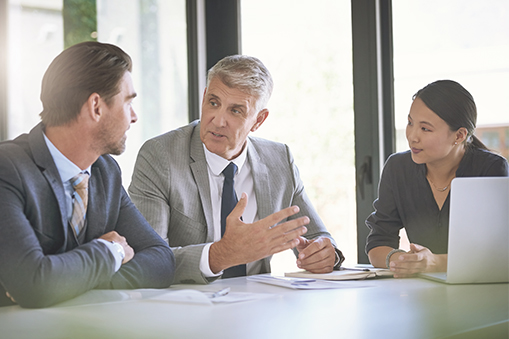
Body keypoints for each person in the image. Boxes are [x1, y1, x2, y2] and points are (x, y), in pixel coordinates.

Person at [129, 55, 344, 284]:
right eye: (213, 103)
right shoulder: (160, 155)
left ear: (258, 120)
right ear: (203, 98)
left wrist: (324, 254)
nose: (218, 120)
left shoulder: (280, 160)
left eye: (235, 111)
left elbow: (317, 237)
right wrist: (220, 255)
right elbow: (147, 259)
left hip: (256, 307)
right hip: (186, 308)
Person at [0, 41, 176, 308]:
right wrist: (112, 251)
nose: (134, 116)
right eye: (127, 102)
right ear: (96, 106)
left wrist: (67, 282)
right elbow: (33, 285)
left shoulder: (105, 172)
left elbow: (162, 260)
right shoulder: (7, 169)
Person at [365, 80, 508, 278]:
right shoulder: (397, 168)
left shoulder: (491, 169)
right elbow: (378, 241)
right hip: (419, 294)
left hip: (478, 290)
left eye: (425, 129)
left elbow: (497, 254)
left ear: (459, 136)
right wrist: (399, 259)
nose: (412, 136)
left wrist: (434, 262)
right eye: (410, 123)